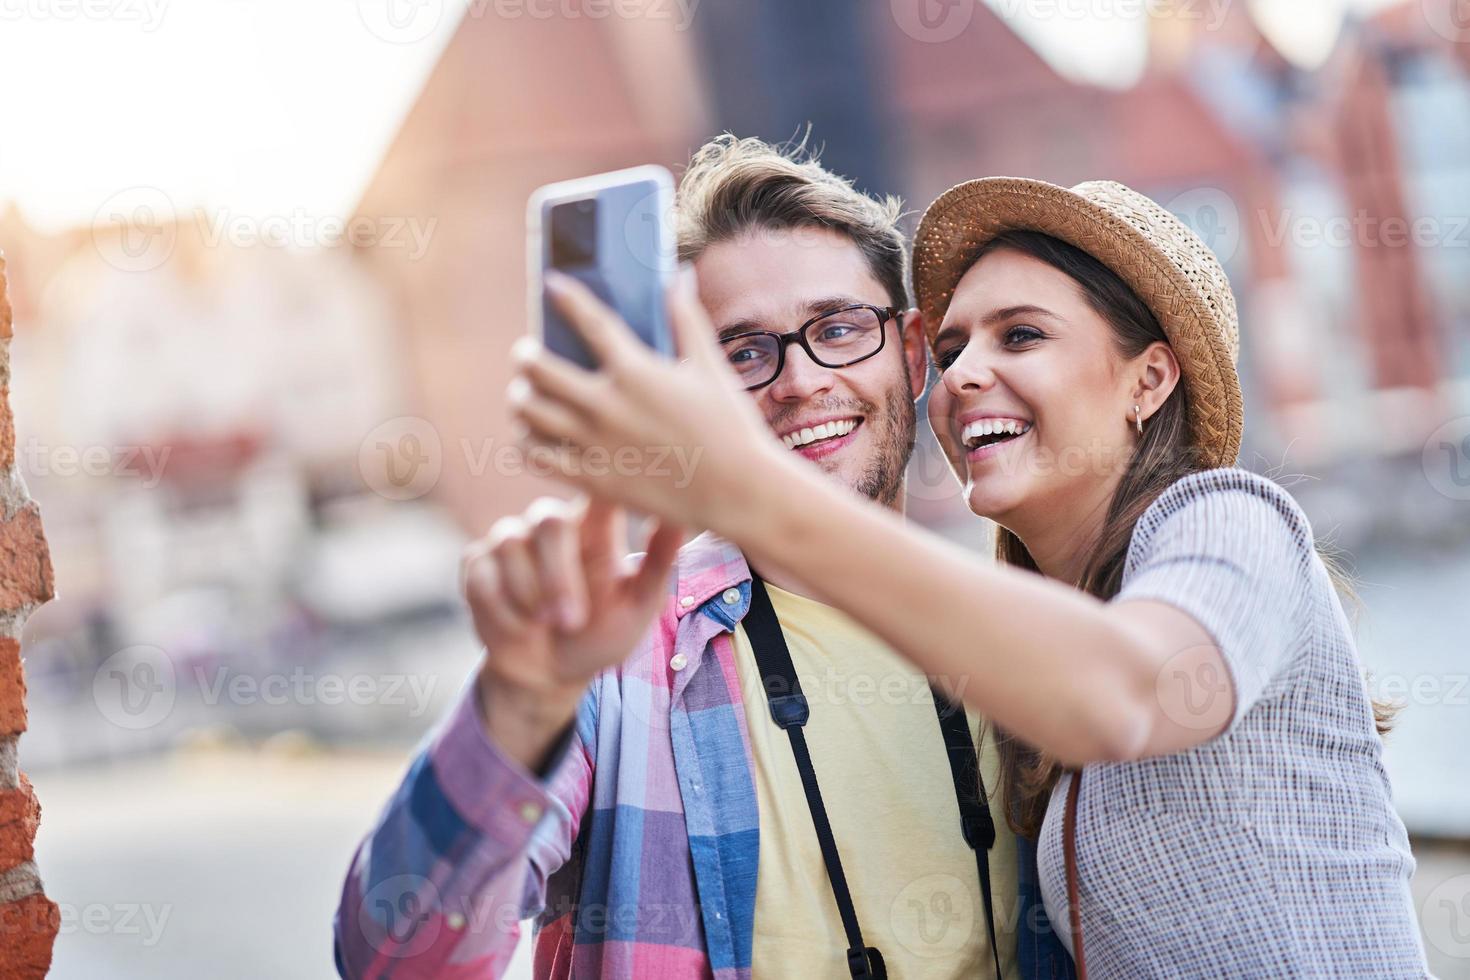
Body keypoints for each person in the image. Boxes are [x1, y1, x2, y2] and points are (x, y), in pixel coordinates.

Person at [511, 176, 1431, 978]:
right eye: (952, 352)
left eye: (1022, 335)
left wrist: (754, 491)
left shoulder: (1233, 520)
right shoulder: (1022, 641)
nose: (964, 377)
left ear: (1149, 381)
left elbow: (1125, 692)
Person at [334, 138, 1075, 980]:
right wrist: (517, 703)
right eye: (745, 351)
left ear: (910, 355)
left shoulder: (1023, 630)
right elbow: (390, 959)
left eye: (836, 328)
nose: (798, 382)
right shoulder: (620, 655)